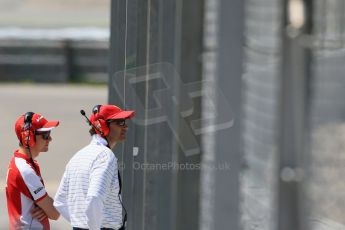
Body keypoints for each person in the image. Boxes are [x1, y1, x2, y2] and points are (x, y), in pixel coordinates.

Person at [54, 104, 135, 230]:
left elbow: (59, 202)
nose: (125, 126)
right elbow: (94, 197)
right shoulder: (105, 156)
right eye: (120, 122)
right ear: (102, 126)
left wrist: (81, 223)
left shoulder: (77, 156)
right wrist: (93, 227)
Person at [6, 112, 60, 230]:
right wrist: (48, 208)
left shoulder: (24, 163)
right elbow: (55, 213)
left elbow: (50, 209)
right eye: (45, 135)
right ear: (28, 137)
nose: (50, 139)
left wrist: (46, 207)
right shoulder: (25, 170)